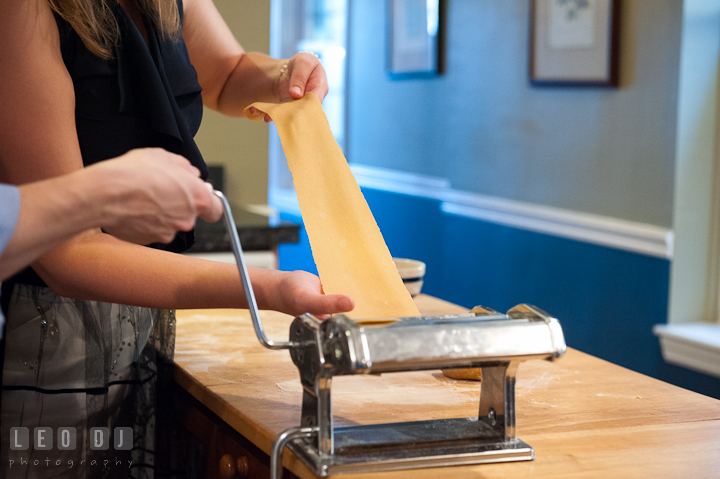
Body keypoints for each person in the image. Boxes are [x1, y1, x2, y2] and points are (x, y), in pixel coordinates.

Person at [0, 0, 354, 477]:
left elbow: (227, 76)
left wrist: (282, 76)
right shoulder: (22, 11)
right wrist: (267, 289)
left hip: (143, 322)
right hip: (47, 340)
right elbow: (67, 254)